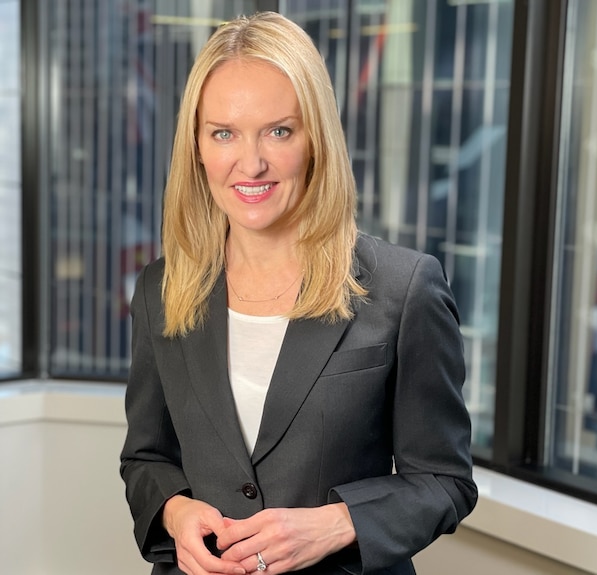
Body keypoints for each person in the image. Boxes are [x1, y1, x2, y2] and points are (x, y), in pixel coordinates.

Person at [120, 11, 476, 575]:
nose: (251, 162)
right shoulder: (162, 290)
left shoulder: (402, 288)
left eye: (279, 131)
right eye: (224, 133)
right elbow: (146, 458)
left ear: (316, 140)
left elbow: (446, 482)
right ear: (197, 147)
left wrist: (338, 523)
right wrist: (175, 511)